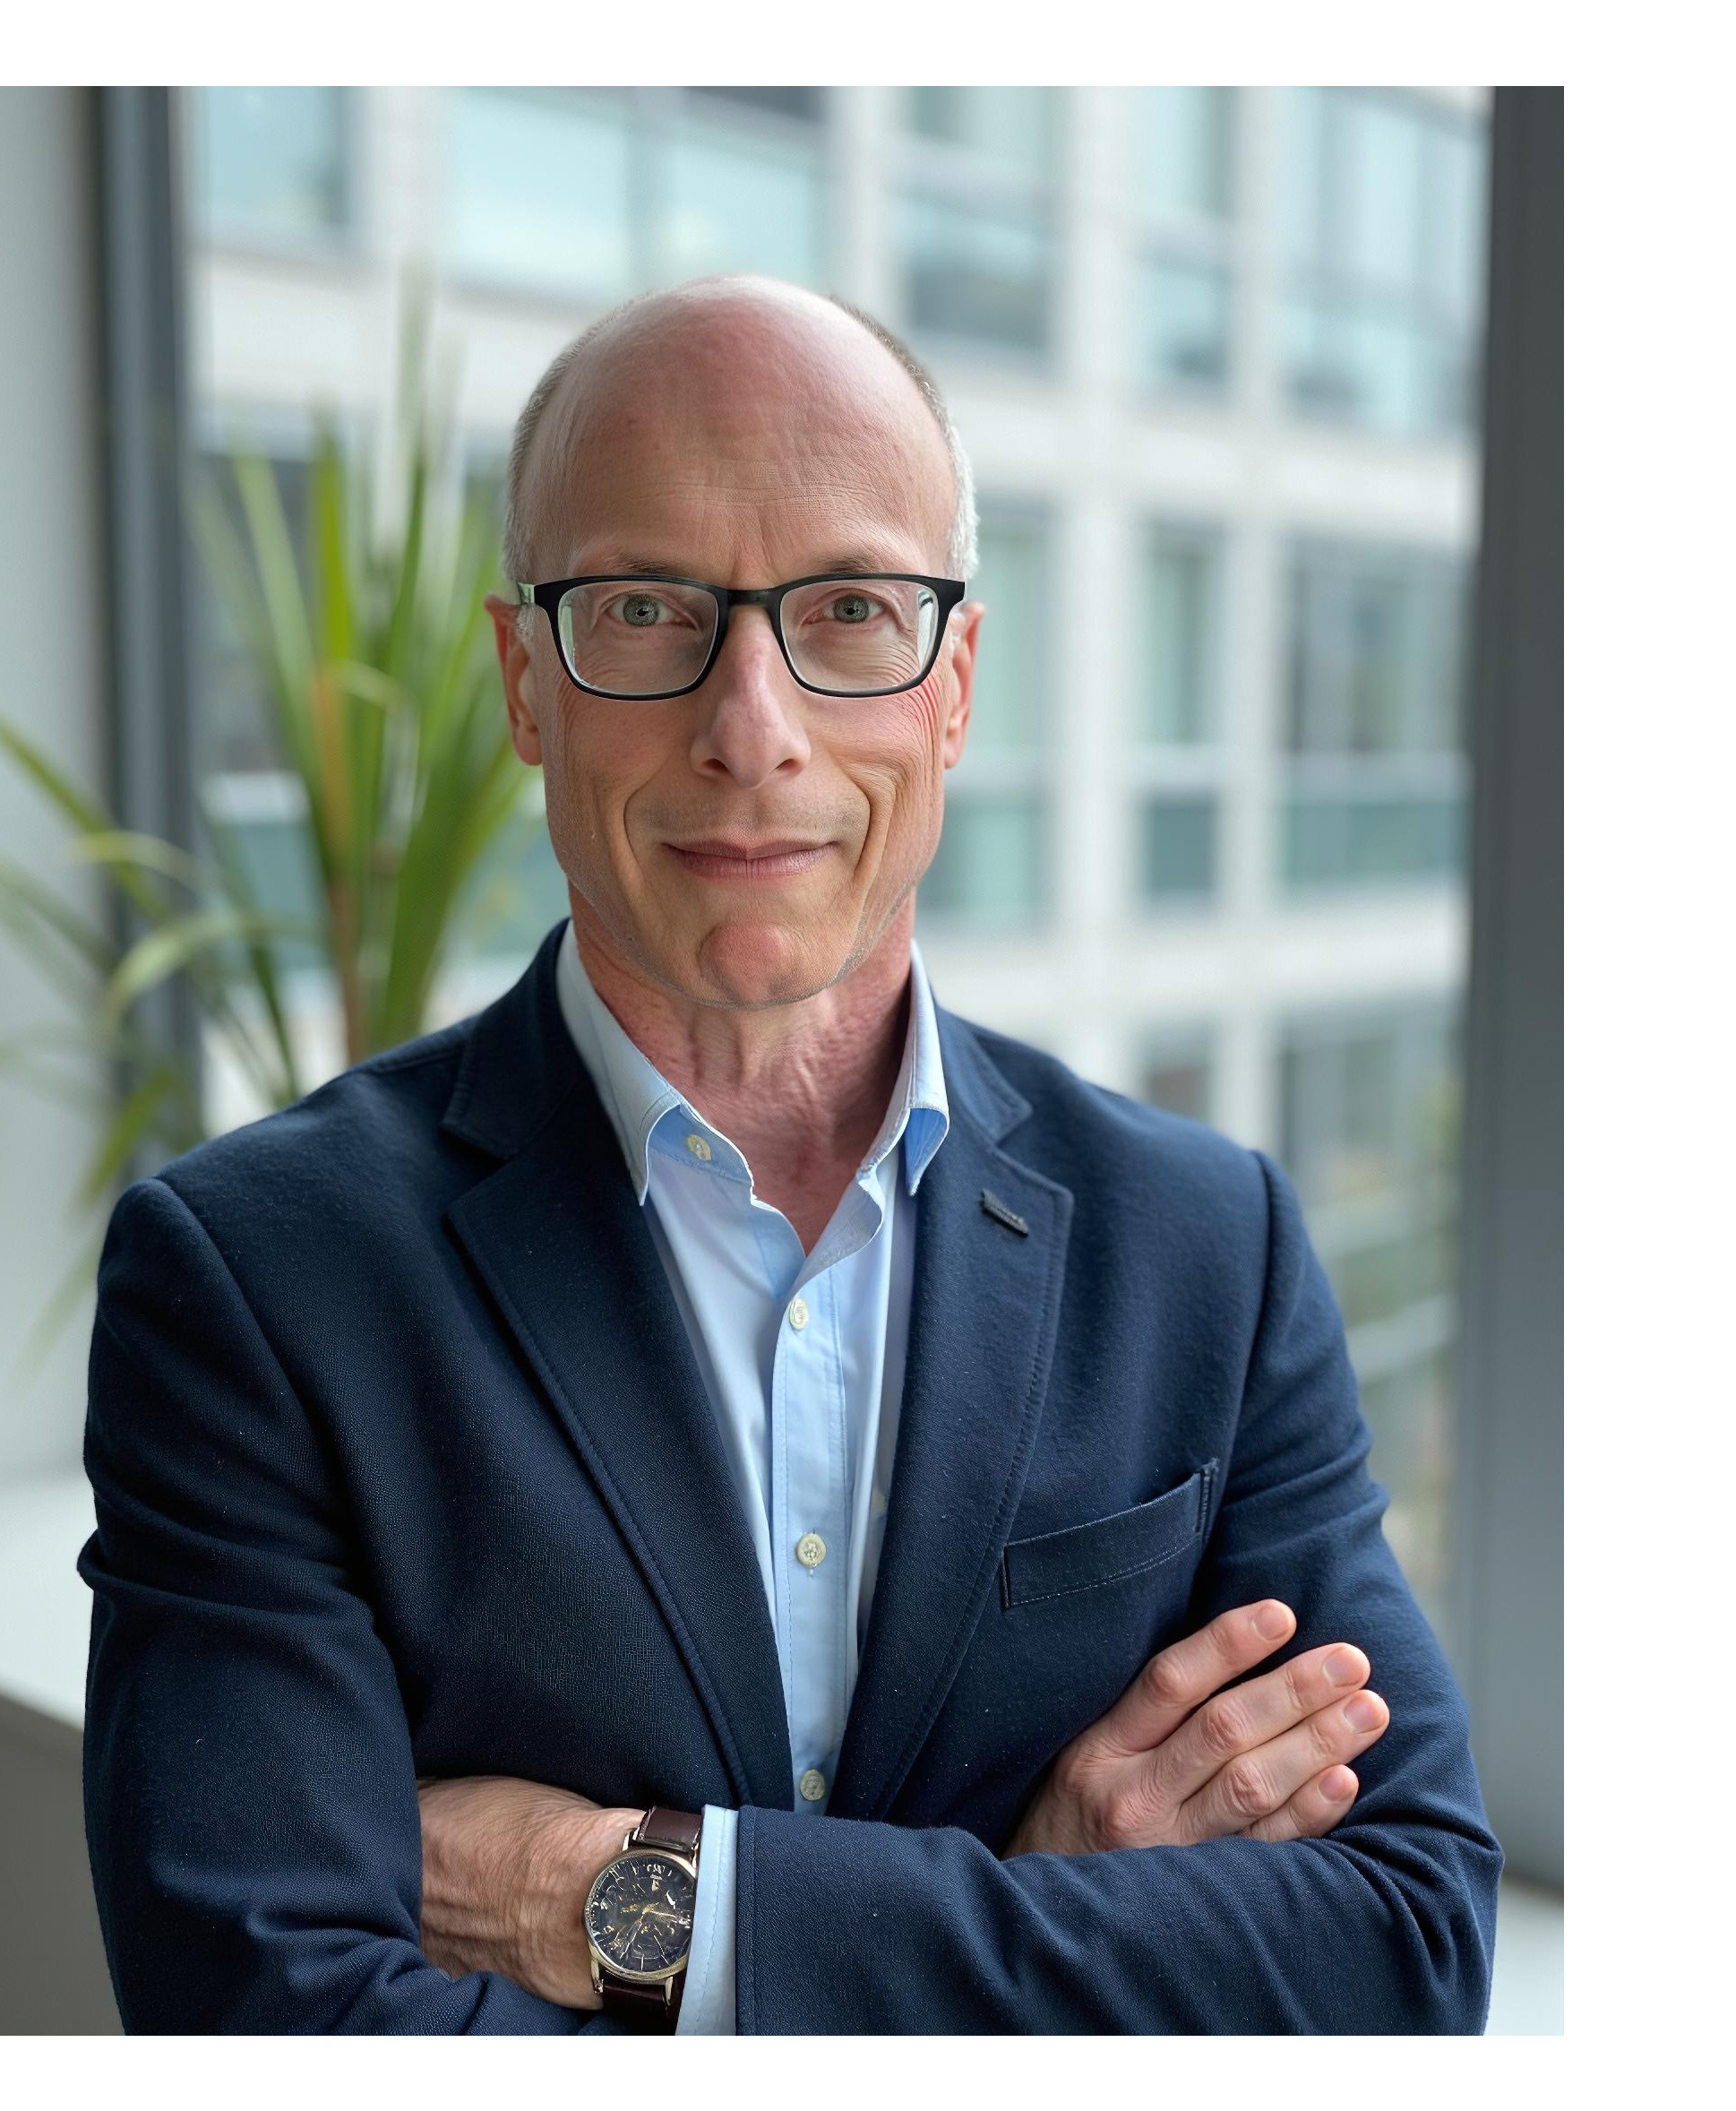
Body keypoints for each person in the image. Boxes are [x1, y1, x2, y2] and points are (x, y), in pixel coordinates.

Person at [77, 273, 1502, 2035]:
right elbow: (265, 2024)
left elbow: (1405, 1946)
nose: (749, 722)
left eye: (845, 609)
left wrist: (641, 1903)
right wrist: (1040, 1894)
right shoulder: (254, 1283)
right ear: (527, 681)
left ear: (954, 684)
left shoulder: (1211, 1244)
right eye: (644, 606)